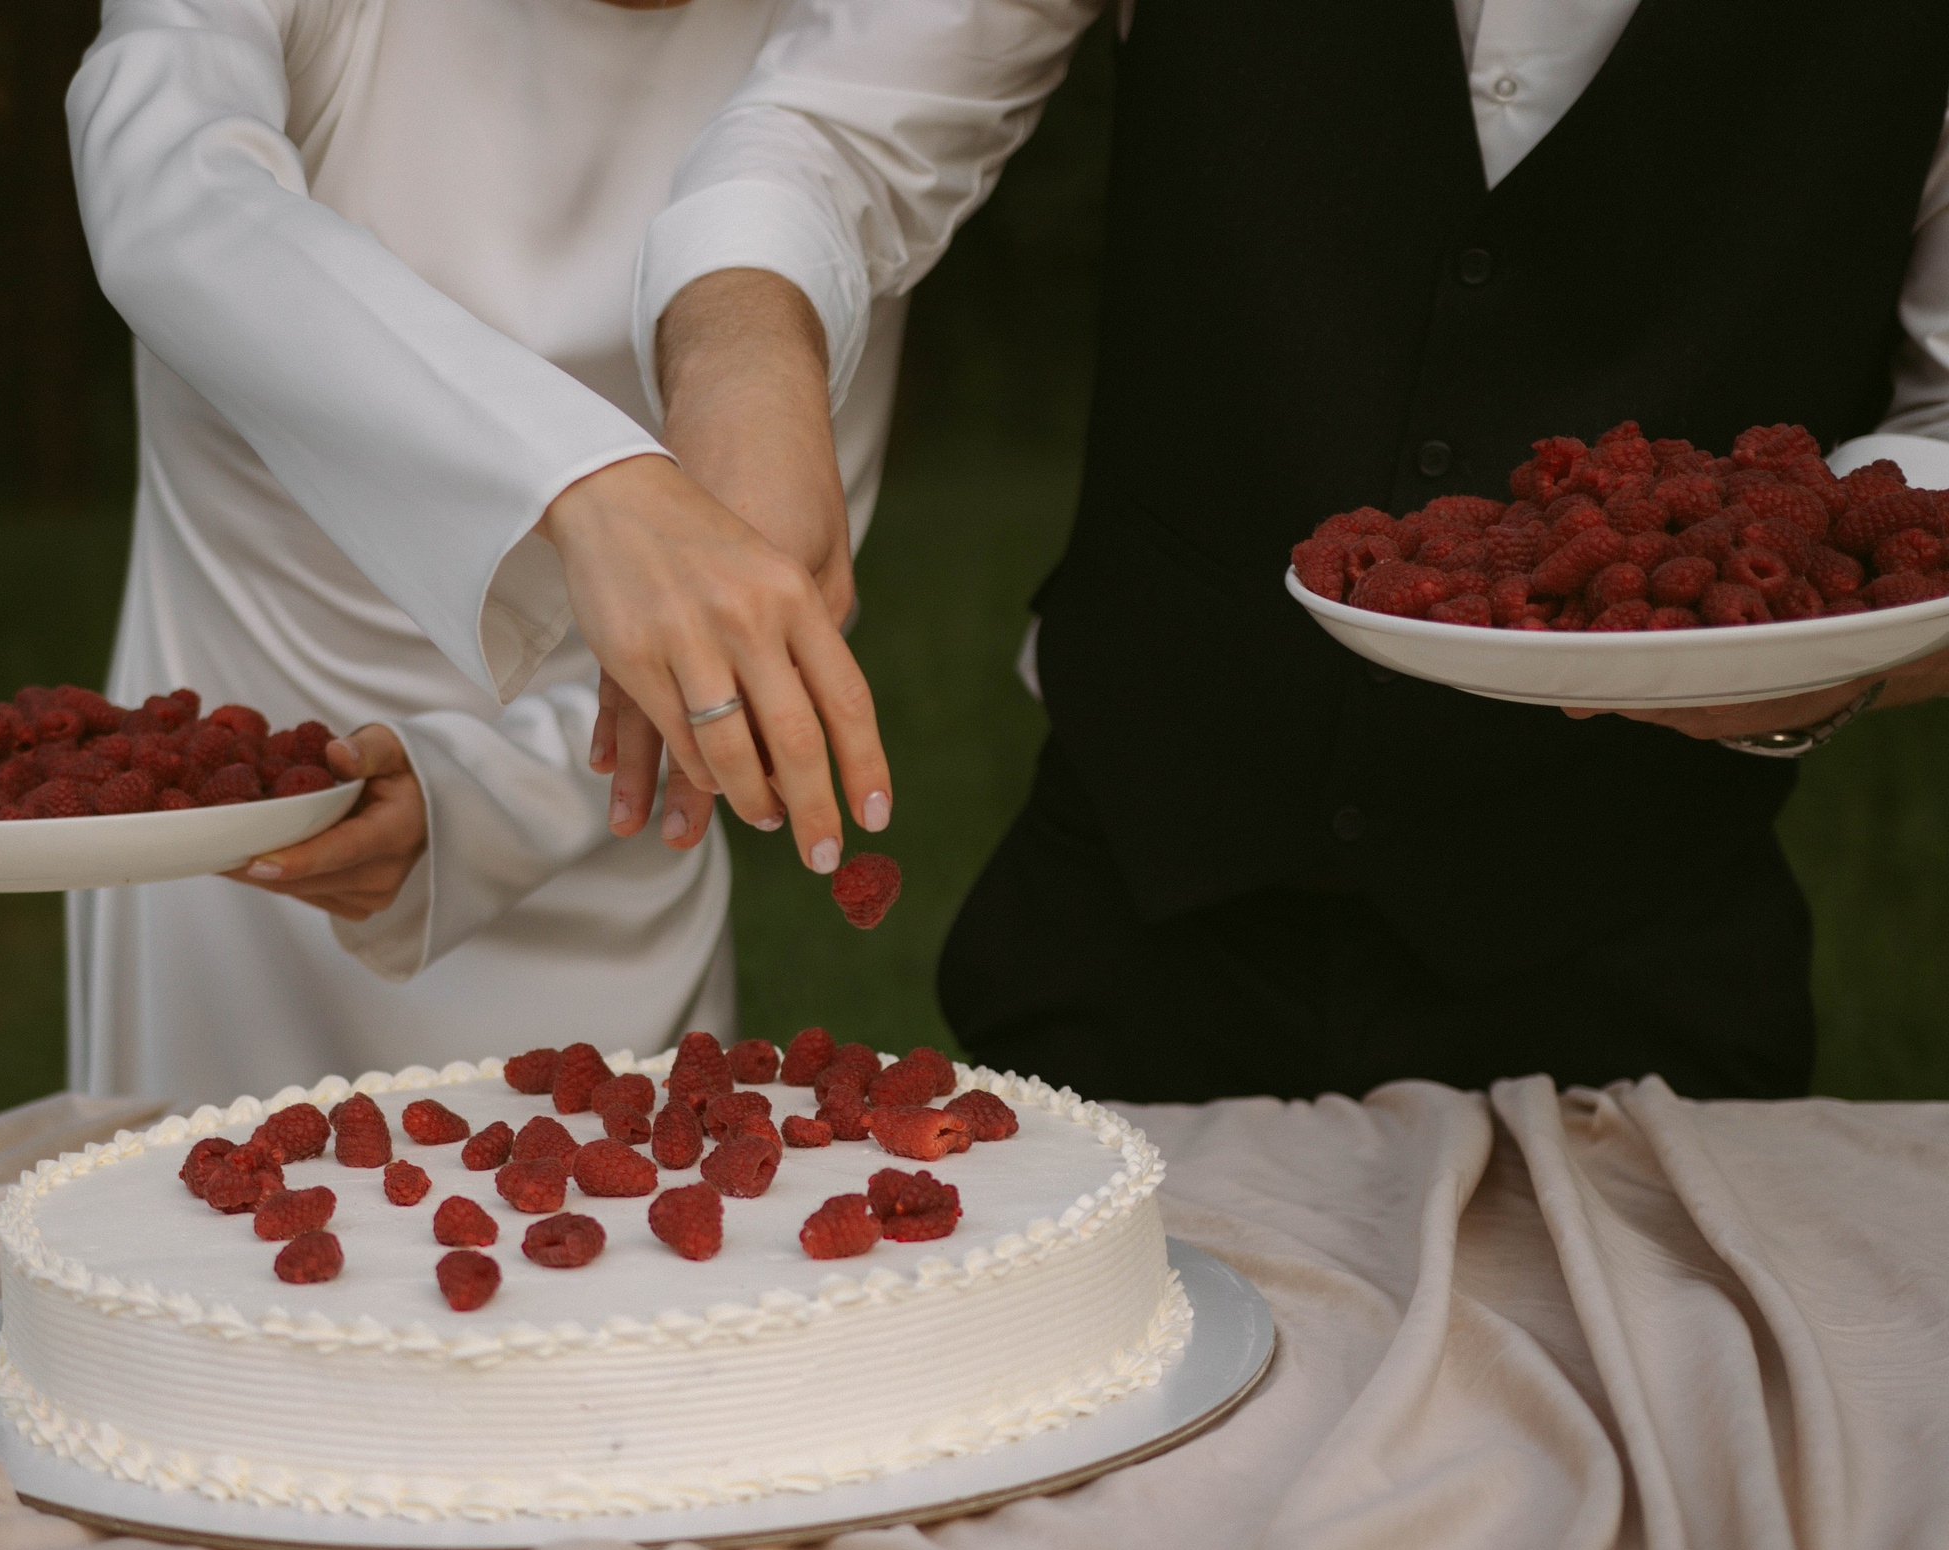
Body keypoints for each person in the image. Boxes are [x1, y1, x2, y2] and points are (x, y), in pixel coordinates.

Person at [591, 0, 1949, 1100]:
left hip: (1636, 946)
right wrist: (741, 379)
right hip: (1139, 894)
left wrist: (1832, 642)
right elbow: (832, 131)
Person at [60, 0, 902, 1101]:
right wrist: (589, 487)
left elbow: (776, 564)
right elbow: (168, 197)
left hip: (607, 825)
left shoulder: (837, 62)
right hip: (229, 809)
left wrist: (482, 798)